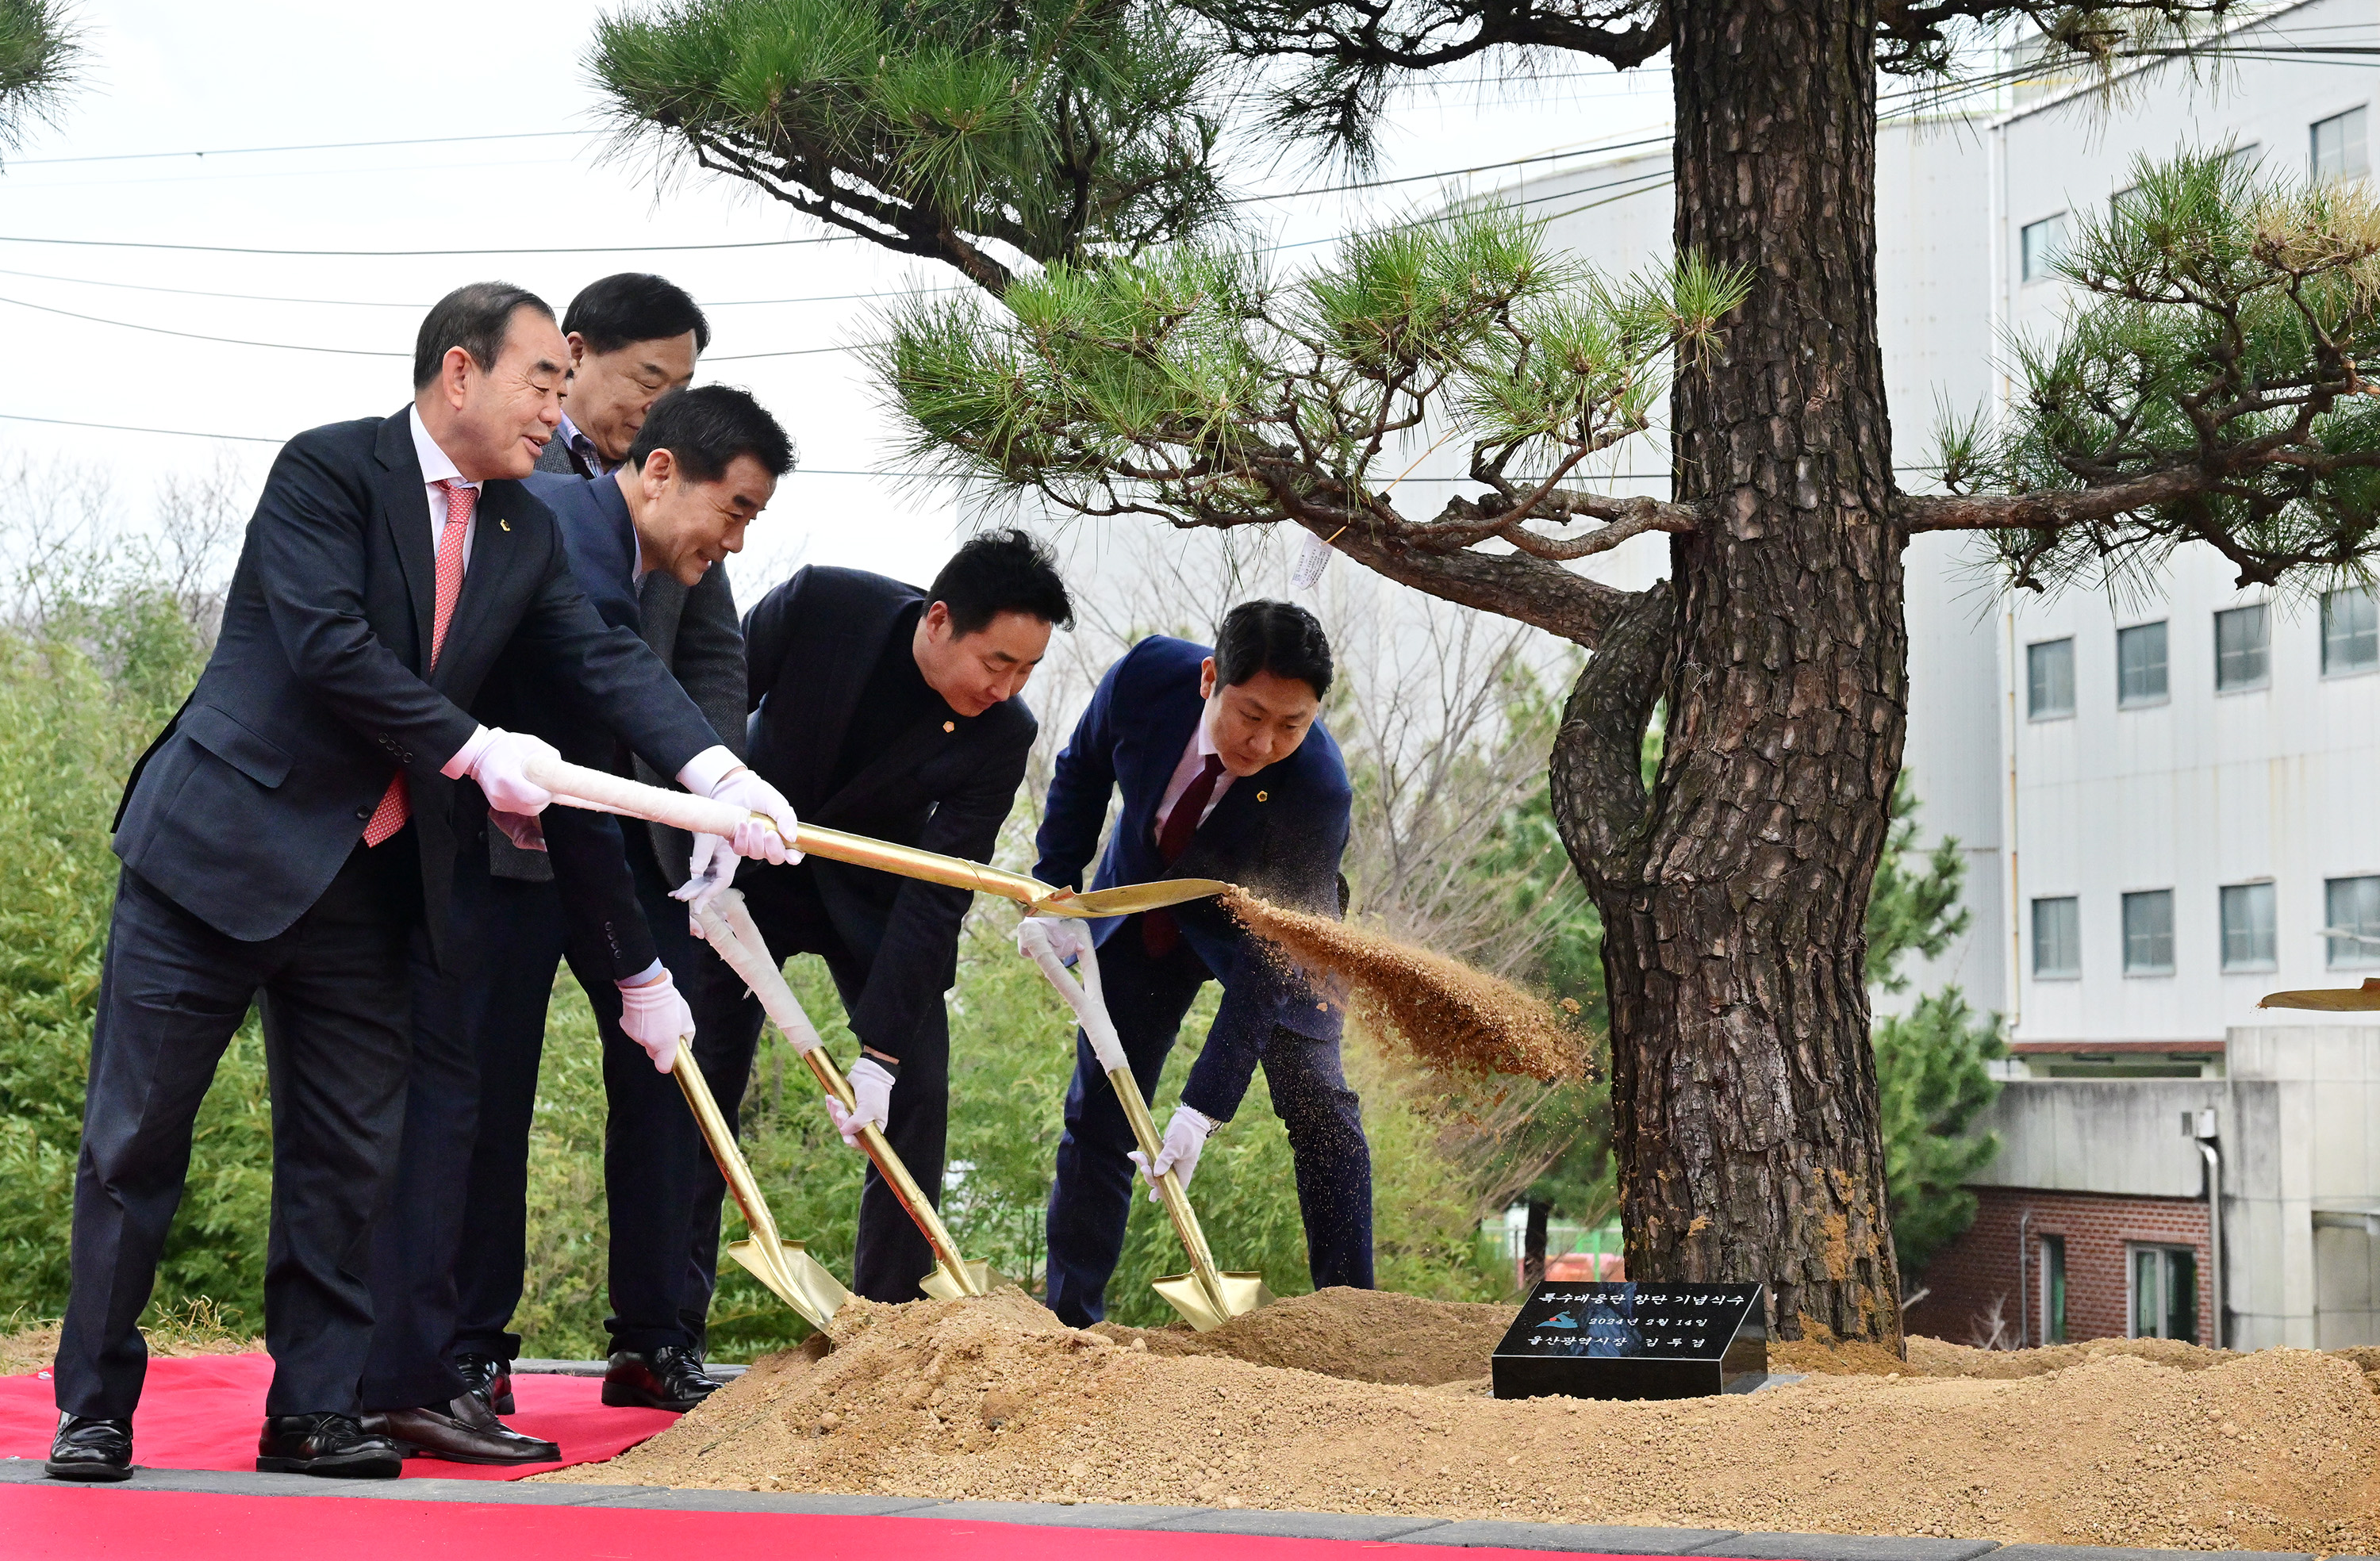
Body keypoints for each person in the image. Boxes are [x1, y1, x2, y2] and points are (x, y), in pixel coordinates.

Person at [45, 283, 800, 1485]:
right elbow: (327, 644)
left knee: (350, 1162)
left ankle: (315, 1409)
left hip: (374, 879)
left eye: (566, 385)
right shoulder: (328, 473)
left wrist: (717, 774)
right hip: (222, 856)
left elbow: (599, 659)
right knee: (137, 1145)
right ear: (461, 373)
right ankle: (94, 1408)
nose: (564, 409)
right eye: (544, 380)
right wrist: (471, 746)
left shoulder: (525, 530)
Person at [357, 385, 793, 1460]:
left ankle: (633, 1337)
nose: (735, 538)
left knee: (634, 1087)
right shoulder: (559, 533)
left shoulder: (644, 547)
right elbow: (590, 740)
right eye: (732, 510)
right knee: (468, 1098)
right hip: (464, 841)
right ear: (655, 471)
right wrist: (705, 801)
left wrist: (717, 787)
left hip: (595, 830)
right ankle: (448, 1354)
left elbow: (679, 684)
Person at [686, 532, 1074, 1308]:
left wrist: (883, 1054)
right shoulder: (824, 605)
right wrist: (700, 833)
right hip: (744, 859)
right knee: (698, 1075)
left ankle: (892, 1319)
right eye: (997, 662)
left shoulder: (1005, 732)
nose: (1007, 687)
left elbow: (941, 889)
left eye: (1027, 670)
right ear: (938, 622)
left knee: (919, 1087)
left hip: (879, 899)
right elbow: (707, 700)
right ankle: (664, 1329)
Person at [1027, 600, 1372, 1327]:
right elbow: (1083, 769)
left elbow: (1267, 968)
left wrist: (1203, 1109)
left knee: (1318, 1103)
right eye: (1250, 715)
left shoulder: (1317, 787)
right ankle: (1069, 1322)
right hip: (1146, 903)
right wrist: (1052, 887)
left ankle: (1354, 1315)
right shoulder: (1148, 675)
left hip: (1275, 941)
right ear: (1210, 676)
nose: (1266, 741)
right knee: (1100, 1111)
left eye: (1292, 724)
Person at [539, 272, 708, 480]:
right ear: (578, 353)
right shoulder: (508, 455)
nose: (662, 409)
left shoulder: (672, 480)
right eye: (649, 383)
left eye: (678, 392)